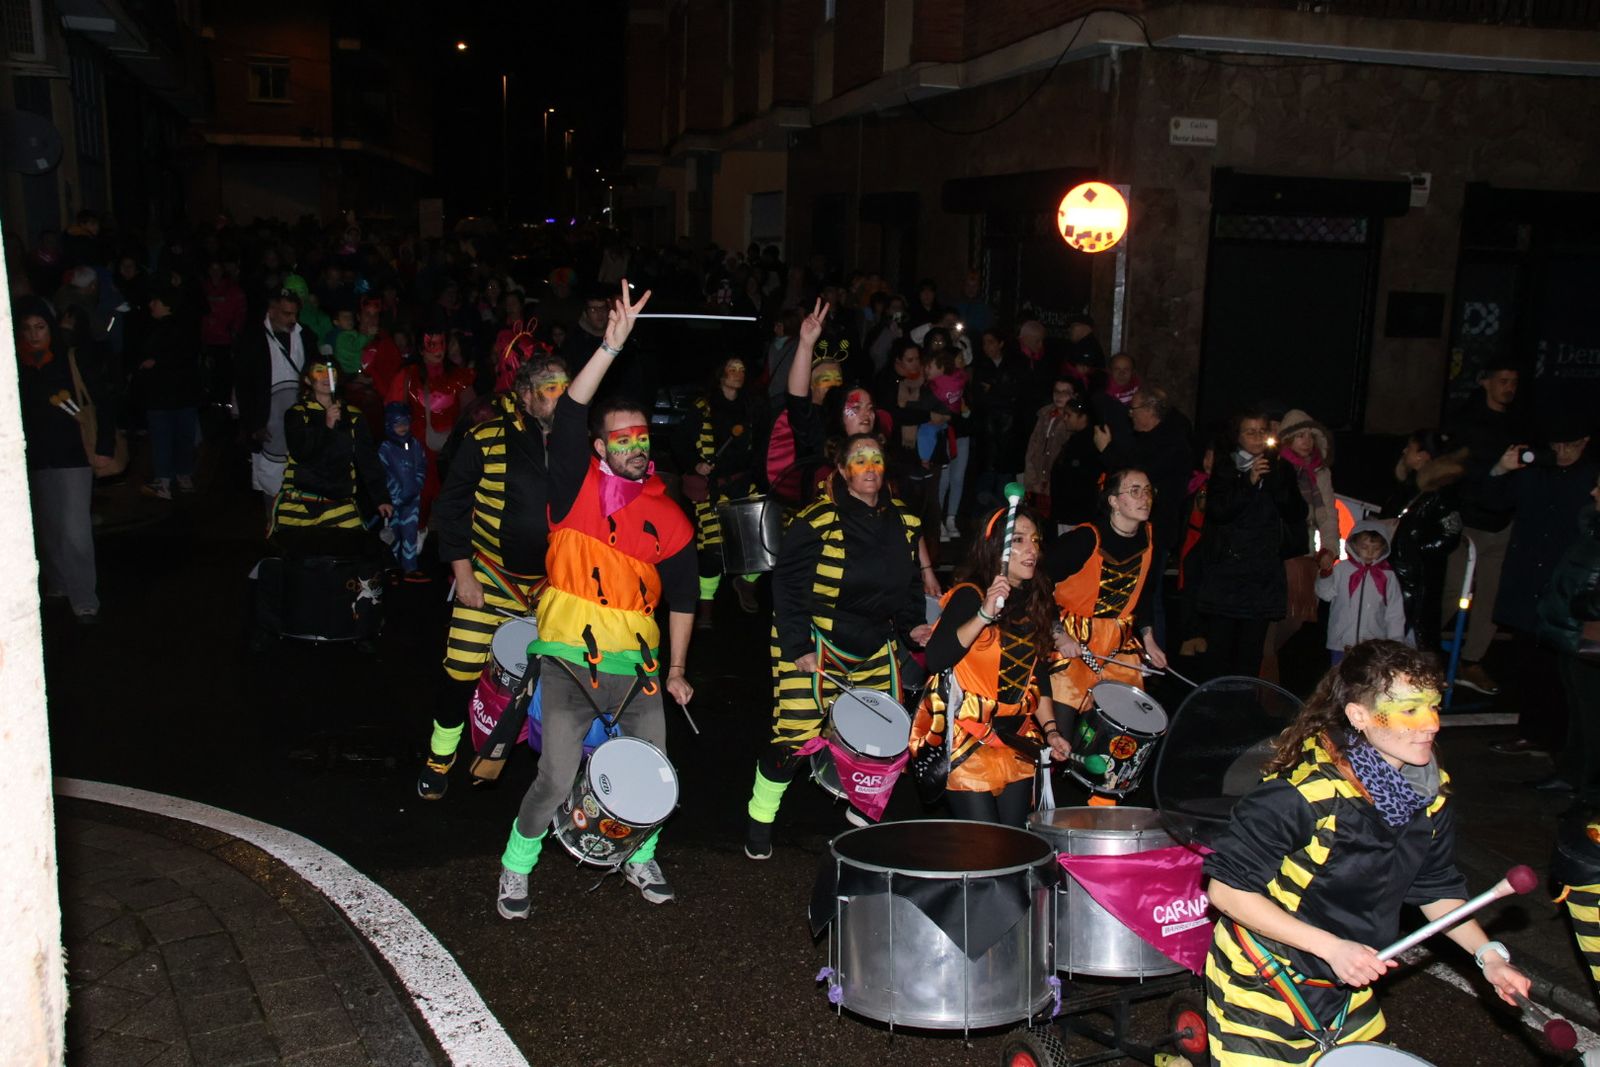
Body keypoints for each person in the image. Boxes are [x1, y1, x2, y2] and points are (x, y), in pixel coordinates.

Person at [1202, 640, 1530, 1064]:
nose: (1430, 723)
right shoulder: (1302, 794)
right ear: (1358, 715)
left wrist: (1488, 956)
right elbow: (1227, 893)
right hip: (1264, 982)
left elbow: (1434, 889)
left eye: (1433, 706)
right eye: (1409, 709)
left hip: (1347, 991)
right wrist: (1333, 948)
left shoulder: (1428, 797)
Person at [496, 280, 696, 916]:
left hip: (634, 669)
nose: (636, 446)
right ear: (601, 448)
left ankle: (640, 858)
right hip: (565, 661)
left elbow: (685, 595)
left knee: (655, 776)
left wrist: (679, 670)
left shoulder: (668, 513)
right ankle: (515, 868)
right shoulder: (573, 490)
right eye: (622, 439)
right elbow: (570, 412)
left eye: (643, 437)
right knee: (555, 776)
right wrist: (609, 347)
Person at [744, 433, 932, 859]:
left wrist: (914, 627)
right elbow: (787, 588)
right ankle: (760, 816)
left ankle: (862, 821)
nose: (869, 467)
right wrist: (797, 647)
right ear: (844, 471)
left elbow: (909, 586)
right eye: (859, 460)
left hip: (872, 642)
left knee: (885, 737)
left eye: (876, 459)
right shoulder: (817, 520)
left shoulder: (904, 520)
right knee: (794, 739)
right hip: (813, 639)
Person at [417, 354, 569, 800]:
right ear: (525, 395)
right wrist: (463, 575)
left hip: (552, 587)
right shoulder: (486, 438)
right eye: (550, 387)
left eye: (566, 385)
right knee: (460, 670)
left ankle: (553, 768)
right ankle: (439, 758)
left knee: (564, 679)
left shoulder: (576, 442)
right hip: (490, 579)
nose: (561, 395)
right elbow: (451, 508)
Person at [911, 506, 1071, 826]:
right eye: (1019, 540)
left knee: (1014, 844)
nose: (1032, 549)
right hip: (967, 737)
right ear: (996, 549)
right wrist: (984, 614)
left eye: (1035, 541)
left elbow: (1036, 675)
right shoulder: (970, 596)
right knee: (983, 847)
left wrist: (1051, 731)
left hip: (1014, 738)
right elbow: (937, 658)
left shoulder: (1036, 598)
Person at [1481, 422, 1598, 767]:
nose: (1563, 453)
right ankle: (1532, 733)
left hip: (1566, 590)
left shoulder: (1590, 479)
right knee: (1527, 663)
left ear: (1585, 442)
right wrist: (1501, 469)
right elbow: (1490, 504)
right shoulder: (1535, 471)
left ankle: (1559, 746)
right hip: (1527, 583)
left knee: (1561, 675)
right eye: (1557, 445)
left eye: (1571, 444)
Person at [1043, 468, 1168, 733]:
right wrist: (1059, 635)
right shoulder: (1085, 538)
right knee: (1060, 733)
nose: (1144, 498)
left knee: (1118, 737)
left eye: (1147, 491)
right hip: (1072, 637)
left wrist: (1148, 638)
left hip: (1116, 644)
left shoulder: (1150, 538)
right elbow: (1038, 582)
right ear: (1113, 501)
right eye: (1134, 491)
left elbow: (1144, 594)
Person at [15, 297, 116, 624]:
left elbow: (102, 400)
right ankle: (58, 582)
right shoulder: (18, 365)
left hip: (73, 456)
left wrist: (104, 445)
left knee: (74, 529)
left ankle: (84, 597)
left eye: (40, 327)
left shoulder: (70, 359)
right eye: (27, 328)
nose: (33, 335)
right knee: (49, 528)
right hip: (36, 459)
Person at [1196, 412, 1308, 679]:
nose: (1258, 437)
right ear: (1238, 436)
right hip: (1228, 572)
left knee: (1251, 651)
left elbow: (1296, 512)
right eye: (1250, 432)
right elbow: (1218, 511)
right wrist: (1248, 482)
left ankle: (1242, 705)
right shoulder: (1226, 467)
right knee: (1220, 648)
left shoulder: (1281, 468)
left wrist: (1276, 482)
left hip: (1263, 573)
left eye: (1262, 431)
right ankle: (1212, 704)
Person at [1442, 359, 1527, 695]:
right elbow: (1454, 471)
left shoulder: (1518, 423)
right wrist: (1494, 470)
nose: (1508, 387)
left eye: (1514, 382)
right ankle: (1422, 653)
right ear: (1486, 382)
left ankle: (1472, 660)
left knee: (1491, 598)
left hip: (1503, 522)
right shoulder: (1466, 422)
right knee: (1451, 591)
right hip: (1467, 522)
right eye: (1503, 379)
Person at [680, 355, 763, 625]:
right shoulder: (702, 407)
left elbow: (764, 447)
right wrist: (696, 464)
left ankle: (746, 583)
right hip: (713, 487)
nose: (737, 373)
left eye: (742, 369)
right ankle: (706, 603)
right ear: (721, 374)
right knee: (714, 549)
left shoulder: (752, 407)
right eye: (732, 369)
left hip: (744, 482)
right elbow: (680, 441)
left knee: (763, 543)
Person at [271, 361, 392, 535]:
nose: (326, 377)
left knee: (351, 555)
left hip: (339, 501)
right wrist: (326, 426)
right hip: (300, 501)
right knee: (300, 558)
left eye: (331, 372)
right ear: (307, 379)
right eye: (319, 372)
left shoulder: (353, 416)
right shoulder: (297, 414)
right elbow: (301, 452)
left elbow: (368, 459)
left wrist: (381, 498)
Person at [1537, 471, 1600, 805]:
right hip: (1574, 632)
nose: (1592, 490)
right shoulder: (1592, 526)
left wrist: (1586, 602)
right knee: (1578, 712)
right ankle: (1571, 775)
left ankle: (1590, 797)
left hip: (1590, 635)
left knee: (1593, 722)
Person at [1381, 430, 1464, 653]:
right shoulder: (1407, 486)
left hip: (1418, 580)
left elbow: (1450, 534)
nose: (1404, 451)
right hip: (1394, 573)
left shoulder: (1441, 491)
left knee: (1412, 639)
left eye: (1410, 447)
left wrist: (1414, 551)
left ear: (1423, 456)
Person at [235, 288, 310, 517]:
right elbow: (244, 386)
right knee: (271, 476)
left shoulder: (305, 336)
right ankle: (273, 524)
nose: (292, 319)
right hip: (267, 422)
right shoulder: (252, 339)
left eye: (295, 314)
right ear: (272, 310)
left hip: (299, 421)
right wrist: (253, 424)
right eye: (287, 314)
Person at [135, 287, 201, 500]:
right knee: (183, 437)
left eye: (156, 301)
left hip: (162, 395)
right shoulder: (188, 327)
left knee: (163, 438)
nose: (151, 305)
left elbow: (151, 358)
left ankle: (164, 482)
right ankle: (184, 477)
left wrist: (151, 364)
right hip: (185, 395)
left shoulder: (156, 330)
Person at [1315, 523, 1405, 664]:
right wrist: (1326, 574)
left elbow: (1395, 613)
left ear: (1383, 549)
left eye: (1375, 549)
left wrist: (1395, 644)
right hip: (1342, 645)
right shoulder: (1341, 569)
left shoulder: (1388, 576)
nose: (1370, 553)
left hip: (1373, 648)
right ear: (1354, 545)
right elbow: (1325, 594)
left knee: (1367, 684)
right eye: (1365, 547)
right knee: (1340, 681)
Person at [378, 402, 427, 581]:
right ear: (389, 425)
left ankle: (410, 568)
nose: (402, 427)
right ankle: (390, 569)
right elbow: (380, 474)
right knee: (392, 536)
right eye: (397, 424)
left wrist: (417, 484)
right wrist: (392, 493)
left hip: (412, 499)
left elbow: (421, 466)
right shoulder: (385, 448)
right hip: (392, 501)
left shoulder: (415, 445)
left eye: (405, 423)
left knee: (410, 533)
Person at [1022, 378, 1078, 520]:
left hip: (1058, 485)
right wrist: (1032, 480)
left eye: (1065, 392)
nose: (1059, 396)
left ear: (1074, 395)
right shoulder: (1044, 414)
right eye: (1057, 391)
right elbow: (1032, 449)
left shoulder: (1074, 420)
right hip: (1037, 483)